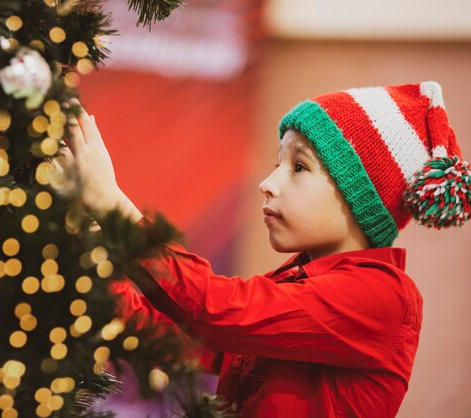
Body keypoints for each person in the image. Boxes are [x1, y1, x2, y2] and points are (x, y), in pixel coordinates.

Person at [62, 82, 470, 417]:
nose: (268, 183)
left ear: (362, 198)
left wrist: (113, 204)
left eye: (298, 167)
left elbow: (212, 309)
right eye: (278, 163)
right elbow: (170, 333)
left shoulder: (383, 298)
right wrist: (90, 233)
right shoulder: (295, 284)